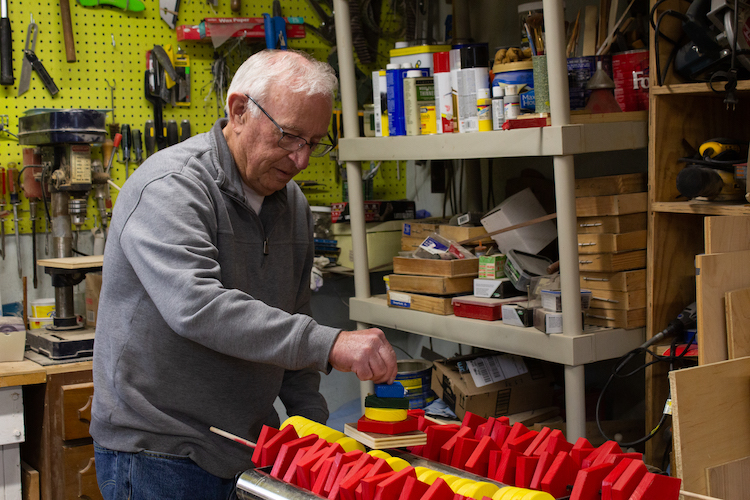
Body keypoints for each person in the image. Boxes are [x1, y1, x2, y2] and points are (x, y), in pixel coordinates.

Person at [91, 49, 398, 499]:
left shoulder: (290, 203)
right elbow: (197, 307)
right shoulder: (170, 186)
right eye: (290, 136)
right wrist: (330, 343)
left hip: (245, 448)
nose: (300, 160)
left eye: (313, 143)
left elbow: (293, 313)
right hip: (158, 452)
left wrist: (312, 430)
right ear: (238, 111)